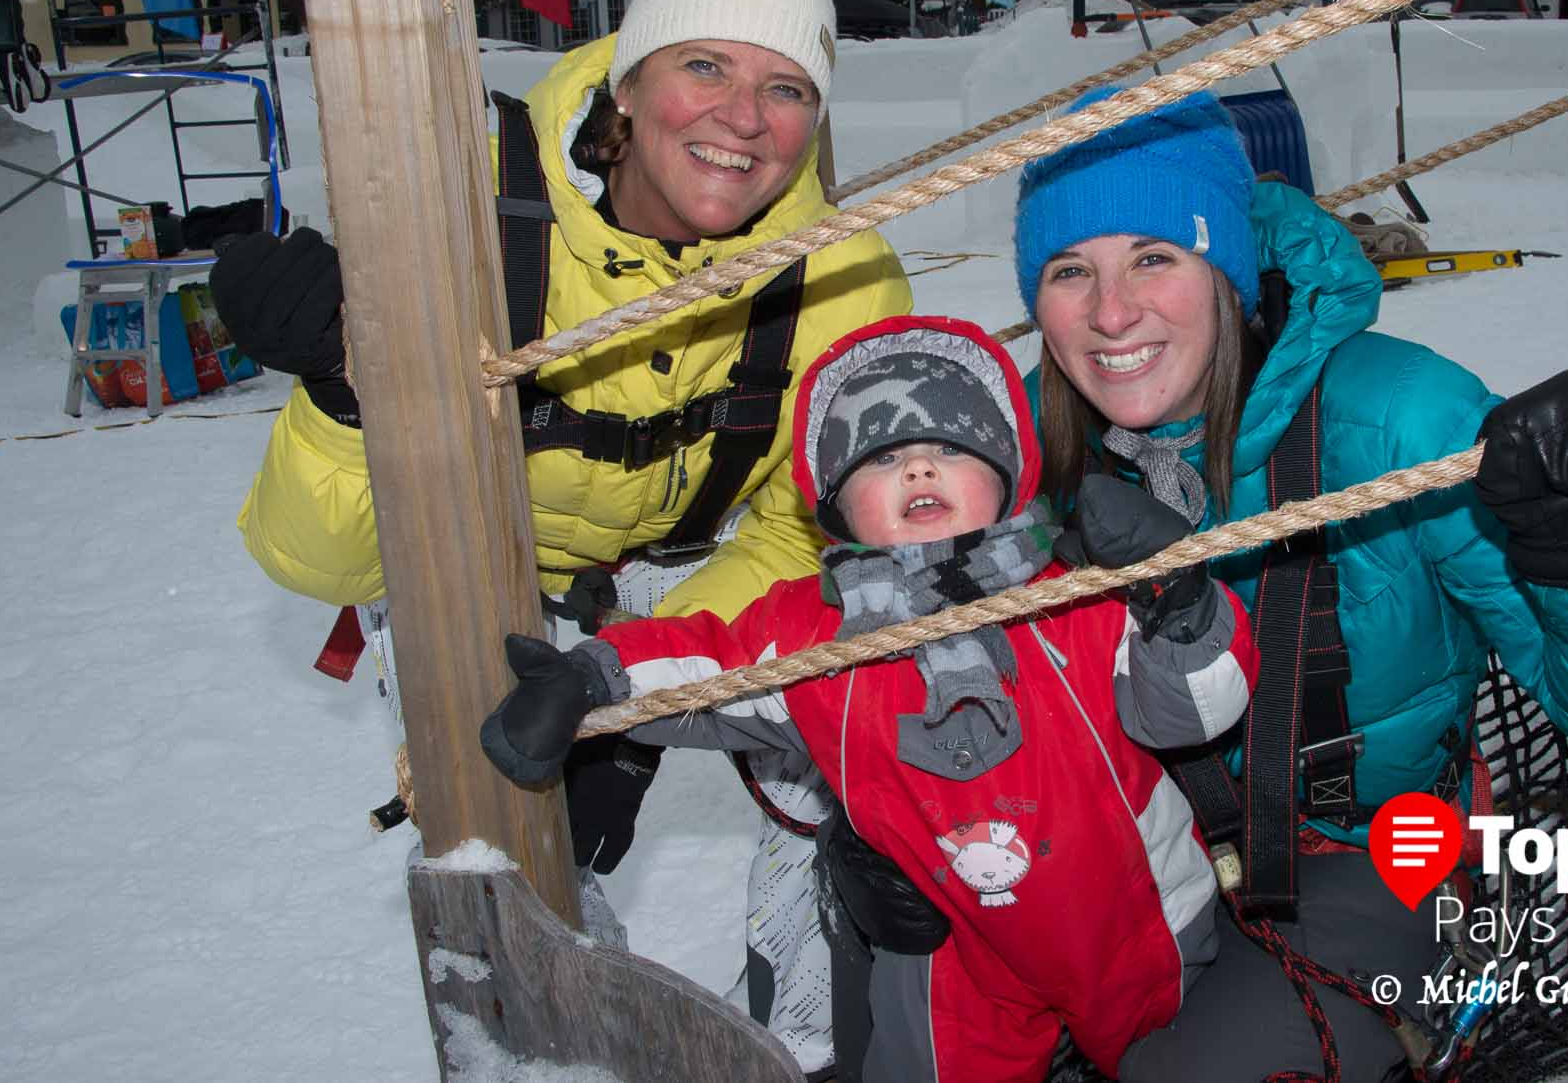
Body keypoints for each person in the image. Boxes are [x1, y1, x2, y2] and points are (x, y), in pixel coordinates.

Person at [212, 0, 912, 1077]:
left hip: (699, 571)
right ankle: (548, 1038)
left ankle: (816, 1035)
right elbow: (326, 566)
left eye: (785, 86)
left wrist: (628, 686)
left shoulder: (840, 272)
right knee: (508, 837)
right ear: (627, 81)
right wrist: (341, 391)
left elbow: (810, 532)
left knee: (862, 734)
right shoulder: (467, 204)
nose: (743, 117)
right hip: (487, 564)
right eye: (704, 64)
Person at [1004, 87, 1568, 1082]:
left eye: (1153, 256)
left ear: (1226, 268)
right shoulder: (1023, 457)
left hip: (1362, 860)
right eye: (1069, 270)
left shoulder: (1397, 421)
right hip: (1133, 859)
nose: (1111, 311)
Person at [478, 314, 1261, 1083]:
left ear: (1007, 474)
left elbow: (1199, 710)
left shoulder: (1076, 597)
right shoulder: (816, 637)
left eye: (950, 447)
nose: (919, 468)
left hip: (1136, 921)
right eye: (882, 457)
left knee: (1178, 1058)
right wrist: (593, 677)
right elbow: (708, 658)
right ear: (836, 504)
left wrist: (1179, 601)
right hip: (961, 956)